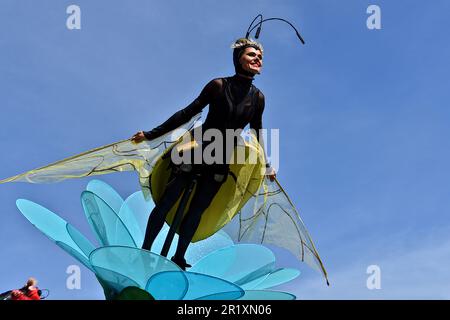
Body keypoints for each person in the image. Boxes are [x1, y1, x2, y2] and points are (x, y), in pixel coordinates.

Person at [131, 38, 276, 270]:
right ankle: (145, 250)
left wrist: (267, 164)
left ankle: (179, 257)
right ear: (238, 59)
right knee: (168, 201)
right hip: (196, 150)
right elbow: (188, 112)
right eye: (251, 55)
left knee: (198, 209)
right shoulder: (218, 85)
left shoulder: (258, 99)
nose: (257, 59)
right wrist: (151, 134)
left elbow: (257, 131)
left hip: (222, 158)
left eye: (260, 57)